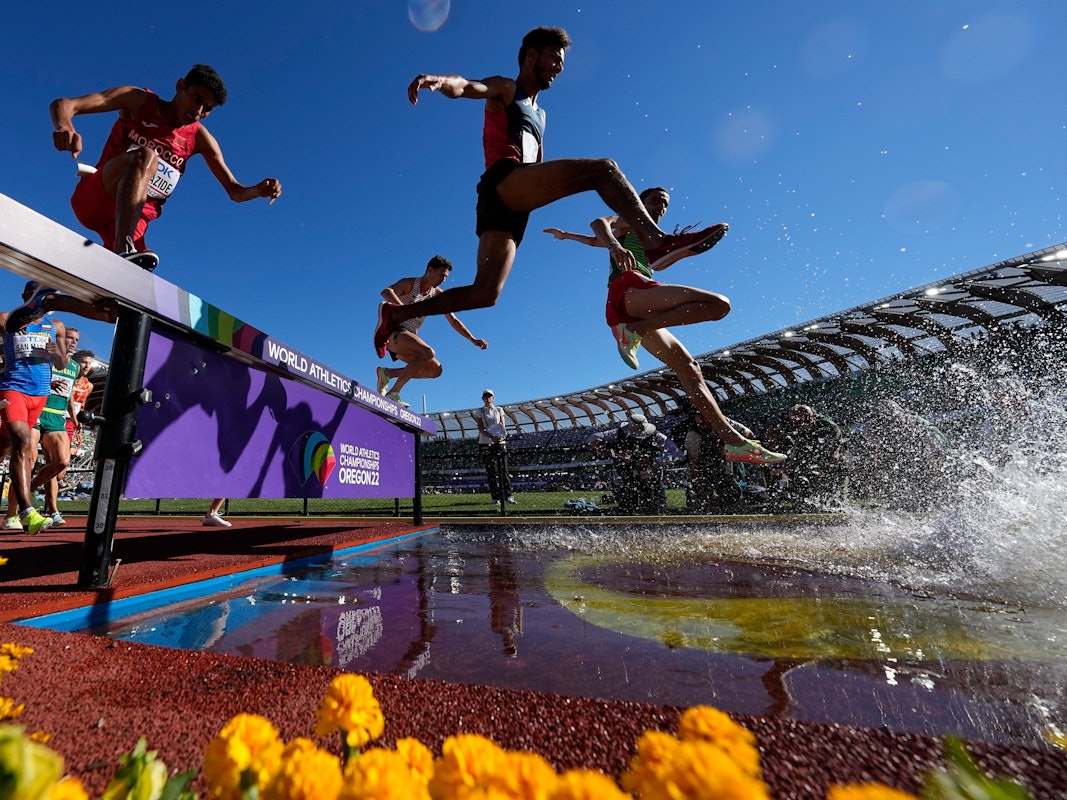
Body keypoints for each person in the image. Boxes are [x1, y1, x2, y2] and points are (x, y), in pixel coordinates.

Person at [376, 26, 729, 357]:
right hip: (504, 181)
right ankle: (656, 243)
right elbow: (468, 86)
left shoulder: (541, 116)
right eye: (555, 58)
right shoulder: (506, 88)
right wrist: (440, 81)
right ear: (531, 56)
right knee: (604, 170)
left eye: (562, 61)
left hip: (514, 205)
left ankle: (395, 316)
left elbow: (538, 163)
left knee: (486, 293)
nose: (560, 67)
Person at [544, 186, 787, 467]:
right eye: (656, 199)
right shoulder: (629, 219)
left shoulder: (642, 235)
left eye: (666, 203)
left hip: (638, 306)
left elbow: (592, 241)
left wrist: (567, 236)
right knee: (718, 305)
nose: (661, 206)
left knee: (690, 368)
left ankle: (732, 440)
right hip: (628, 290)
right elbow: (598, 224)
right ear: (639, 202)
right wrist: (613, 245)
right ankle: (636, 329)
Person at [50, 64, 282, 271]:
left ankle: (48, 298)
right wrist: (65, 126)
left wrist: (257, 190)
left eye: (207, 108)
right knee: (145, 156)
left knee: (120, 298)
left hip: (134, 221)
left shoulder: (200, 139)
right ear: (180, 86)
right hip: (97, 199)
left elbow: (235, 191)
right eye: (196, 99)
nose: (198, 111)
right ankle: (124, 249)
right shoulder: (137, 100)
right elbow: (65, 105)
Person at [0, 283, 116, 534]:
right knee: (22, 443)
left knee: (8, 447)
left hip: (40, 395)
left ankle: (24, 502)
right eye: (34, 294)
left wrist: (55, 351)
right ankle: (26, 513)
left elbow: (63, 363)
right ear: (25, 296)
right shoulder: (6, 318)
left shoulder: (55, 327)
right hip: (14, 388)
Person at [375, 255, 488, 407]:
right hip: (393, 332)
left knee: (434, 370)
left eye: (446, 277)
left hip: (408, 338)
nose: (444, 280)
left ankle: (387, 373)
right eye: (442, 275)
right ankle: (393, 393)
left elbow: (454, 321)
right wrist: (406, 309)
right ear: (430, 270)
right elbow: (386, 292)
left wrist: (472, 339)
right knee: (428, 352)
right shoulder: (409, 284)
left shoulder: (437, 295)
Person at [587, 412, 671, 514]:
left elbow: (677, 454)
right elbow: (592, 439)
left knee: (655, 504)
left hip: (651, 477)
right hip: (626, 476)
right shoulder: (617, 433)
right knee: (628, 503)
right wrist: (616, 454)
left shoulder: (657, 436)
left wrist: (652, 460)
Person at [475, 389, 516, 506]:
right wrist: (491, 437)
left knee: (504, 469)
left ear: (493, 398)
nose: (488, 398)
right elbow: (480, 428)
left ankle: (508, 496)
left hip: (500, 442)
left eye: (490, 396)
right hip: (485, 442)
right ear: (482, 398)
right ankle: (495, 497)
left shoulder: (499, 409)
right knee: (491, 470)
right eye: (485, 396)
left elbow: (502, 425)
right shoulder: (480, 411)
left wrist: (500, 437)